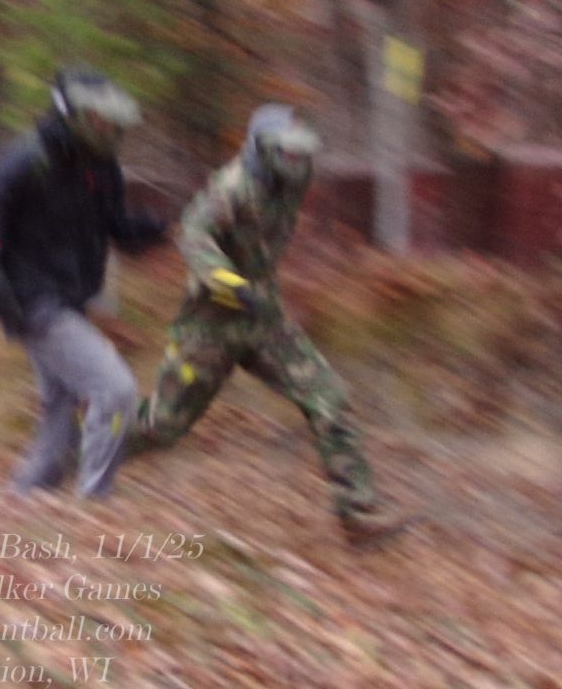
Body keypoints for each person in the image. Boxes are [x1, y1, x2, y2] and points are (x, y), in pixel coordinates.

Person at [132, 104, 406, 545]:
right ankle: (84, 451)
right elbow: (193, 233)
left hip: (263, 320)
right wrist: (227, 283)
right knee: (162, 426)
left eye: (301, 152)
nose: (298, 160)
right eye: (288, 152)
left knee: (328, 398)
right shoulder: (234, 185)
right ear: (264, 149)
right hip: (212, 324)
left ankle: (358, 513)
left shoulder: (292, 180)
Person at [0, 69, 168, 499]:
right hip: (32, 301)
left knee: (61, 401)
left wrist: (149, 229)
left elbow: (112, 223)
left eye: (113, 122)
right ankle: (95, 499)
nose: (109, 129)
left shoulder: (101, 166)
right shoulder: (30, 160)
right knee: (116, 390)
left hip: (69, 297)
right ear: (75, 116)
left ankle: (30, 493)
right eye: (100, 120)